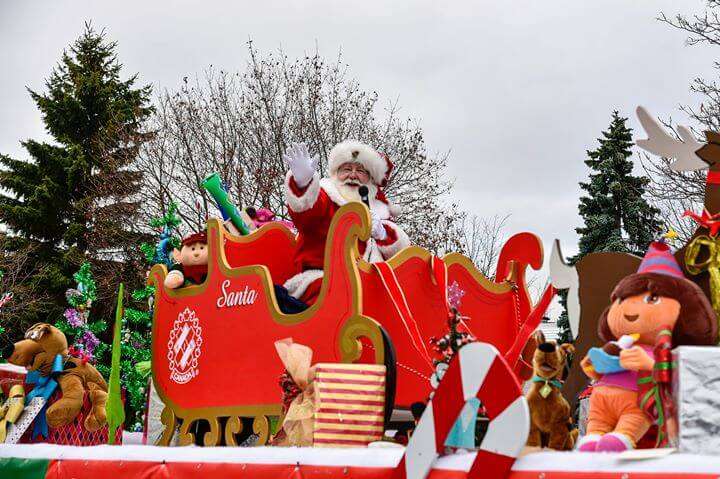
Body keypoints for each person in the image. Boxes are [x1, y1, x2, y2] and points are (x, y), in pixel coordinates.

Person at [281, 140, 410, 306]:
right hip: (324, 282)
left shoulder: (380, 215)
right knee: (344, 294)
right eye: (347, 169)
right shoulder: (326, 196)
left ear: (370, 179)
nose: (353, 175)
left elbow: (400, 259)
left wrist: (381, 233)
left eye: (361, 171)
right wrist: (303, 184)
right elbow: (307, 213)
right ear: (336, 173)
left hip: (371, 288)